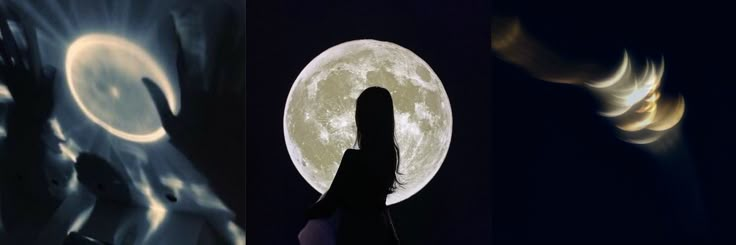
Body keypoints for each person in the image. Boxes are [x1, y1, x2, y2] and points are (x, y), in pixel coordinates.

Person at [300, 86, 401, 245]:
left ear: (362, 118)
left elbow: (329, 204)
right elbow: (380, 207)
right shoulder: (389, 158)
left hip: (354, 236)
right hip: (378, 236)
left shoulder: (353, 159)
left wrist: (303, 212)